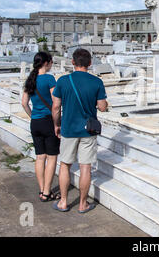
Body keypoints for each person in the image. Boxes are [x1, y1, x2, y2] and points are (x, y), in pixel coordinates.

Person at [51, 49, 108, 213]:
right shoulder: (96, 82)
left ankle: (63, 202)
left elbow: (56, 107)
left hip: (68, 129)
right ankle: (82, 204)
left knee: (64, 165)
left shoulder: (63, 81)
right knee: (85, 167)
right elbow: (102, 107)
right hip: (87, 131)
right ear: (90, 63)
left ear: (73, 62)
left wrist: (56, 124)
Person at [22, 52, 61, 202]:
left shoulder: (30, 80)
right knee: (51, 158)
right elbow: (55, 103)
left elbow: (24, 103)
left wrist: (33, 116)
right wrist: (56, 123)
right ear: (46, 63)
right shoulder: (49, 79)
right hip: (48, 121)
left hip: (35, 122)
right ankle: (46, 192)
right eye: (51, 62)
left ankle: (42, 189)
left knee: (39, 157)